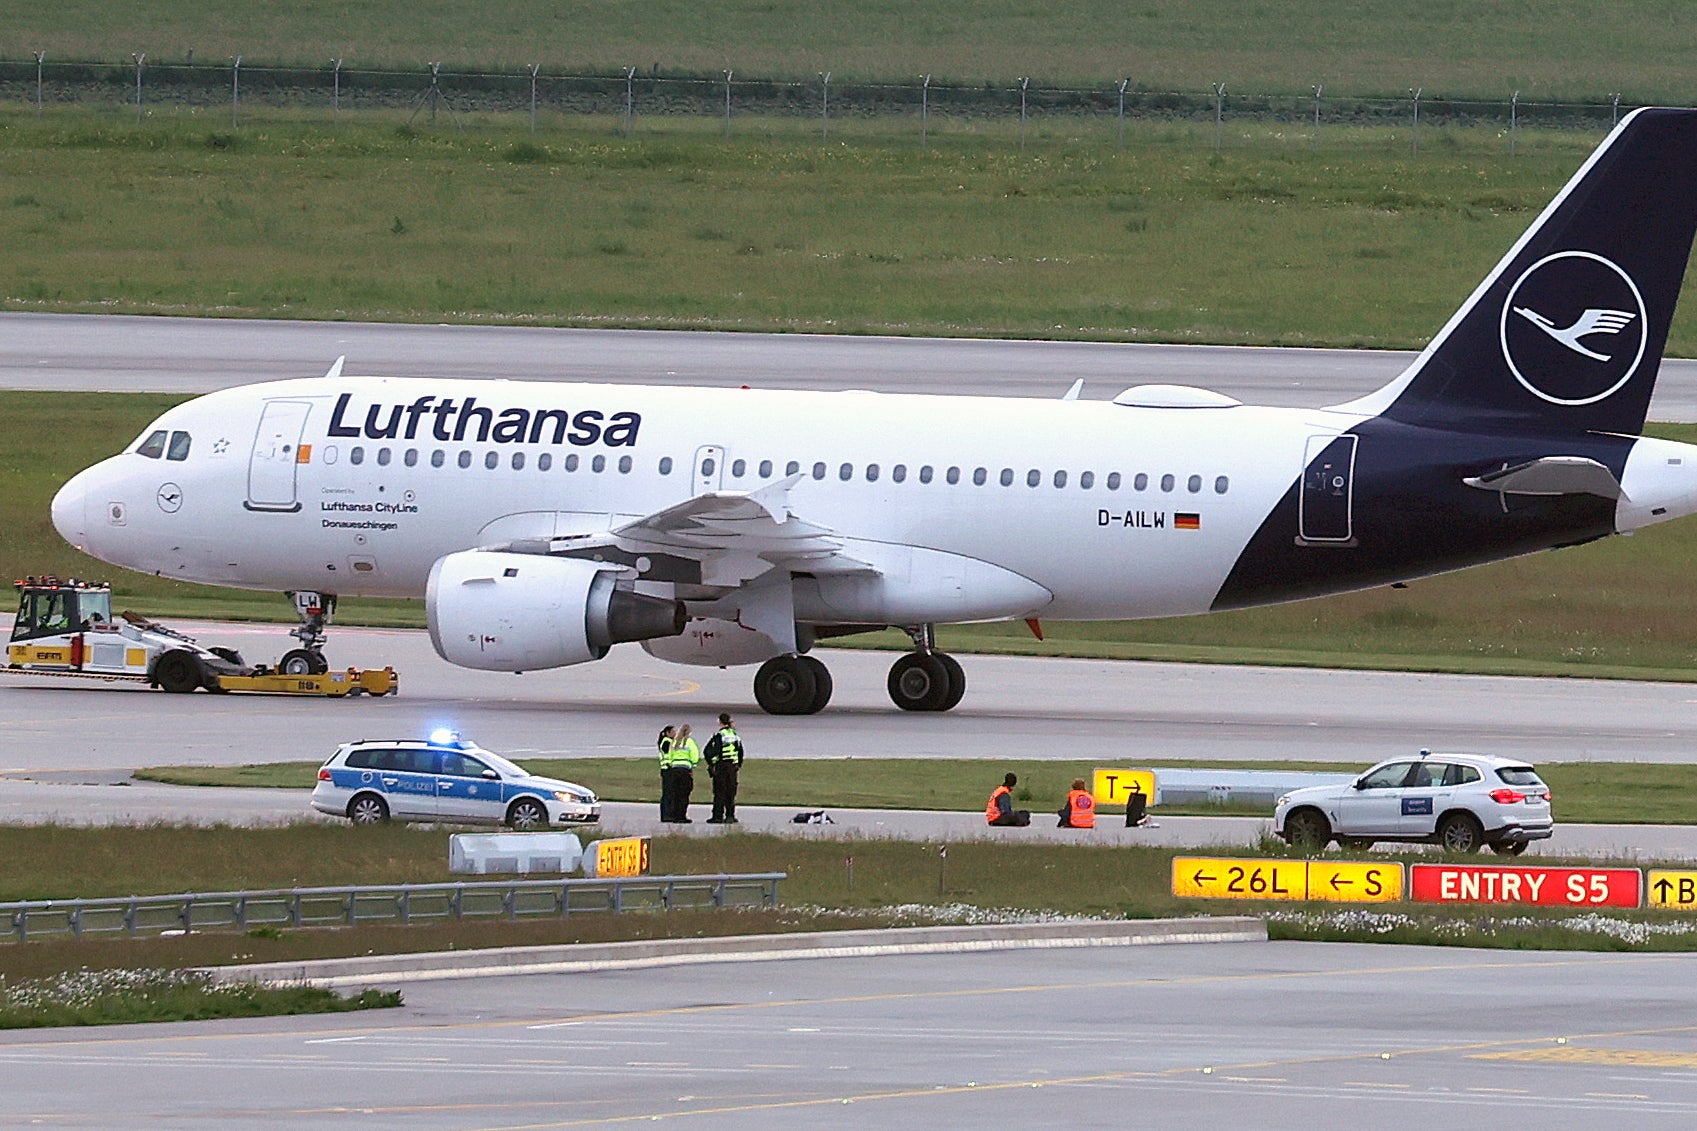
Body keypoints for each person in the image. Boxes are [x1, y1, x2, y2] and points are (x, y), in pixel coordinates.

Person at [703, 712, 744, 824]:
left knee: (719, 791)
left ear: (719, 722)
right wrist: (737, 765)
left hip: (721, 766)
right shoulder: (735, 735)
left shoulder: (719, 736)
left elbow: (708, 751)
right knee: (730, 792)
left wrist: (712, 764)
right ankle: (730, 815)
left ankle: (717, 816)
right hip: (732, 768)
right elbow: (740, 752)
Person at [664, 723, 701, 823]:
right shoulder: (689, 742)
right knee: (684, 794)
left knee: (675, 794)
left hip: (674, 770)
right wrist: (693, 765)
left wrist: (672, 764)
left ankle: (675, 816)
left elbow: (669, 755)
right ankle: (681, 816)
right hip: (685, 770)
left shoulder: (675, 742)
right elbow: (695, 755)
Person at [655, 726, 676, 822]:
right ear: (668, 733)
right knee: (668, 793)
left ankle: (667, 814)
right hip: (668, 769)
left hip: (666, 770)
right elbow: (670, 755)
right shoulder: (667, 742)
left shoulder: (666, 741)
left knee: (669, 793)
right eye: (673, 731)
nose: (675, 733)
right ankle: (667, 814)